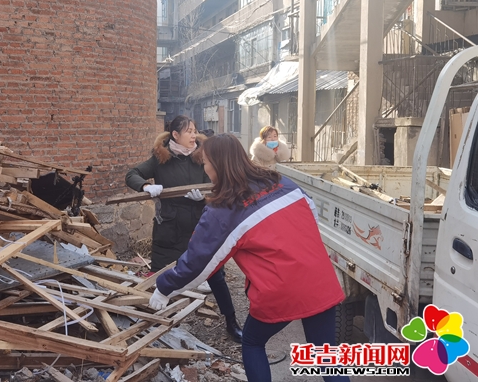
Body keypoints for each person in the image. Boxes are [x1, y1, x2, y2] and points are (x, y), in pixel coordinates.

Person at [148, 133, 349, 382]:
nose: (205, 169)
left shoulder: (225, 208)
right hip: (319, 279)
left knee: (253, 342)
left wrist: (164, 288)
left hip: (280, 289)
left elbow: (199, 262)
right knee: (326, 355)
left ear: (217, 165)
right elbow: (311, 214)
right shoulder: (281, 182)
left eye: (206, 163)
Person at [125, 116, 243, 342]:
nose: (193, 135)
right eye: (188, 131)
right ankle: (157, 327)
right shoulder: (161, 158)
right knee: (160, 276)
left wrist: (204, 198)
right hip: (169, 227)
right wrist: (146, 186)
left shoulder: (202, 156)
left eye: (194, 130)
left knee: (216, 276)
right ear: (175, 135)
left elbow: (217, 187)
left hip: (200, 226)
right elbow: (132, 174)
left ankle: (232, 322)